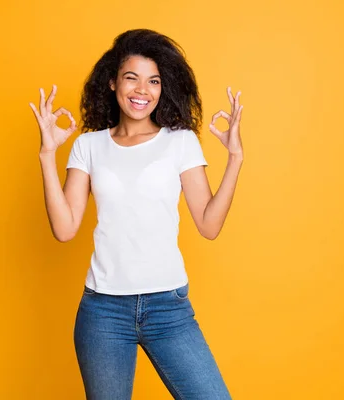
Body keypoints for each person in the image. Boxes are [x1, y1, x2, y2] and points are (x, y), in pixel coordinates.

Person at [29, 29, 244, 399]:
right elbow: (64, 229)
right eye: (132, 78)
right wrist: (48, 154)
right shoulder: (88, 146)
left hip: (168, 309)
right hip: (103, 312)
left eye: (154, 81)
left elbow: (209, 225)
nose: (142, 90)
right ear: (113, 82)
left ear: (164, 88)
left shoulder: (179, 142)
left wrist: (236, 159)